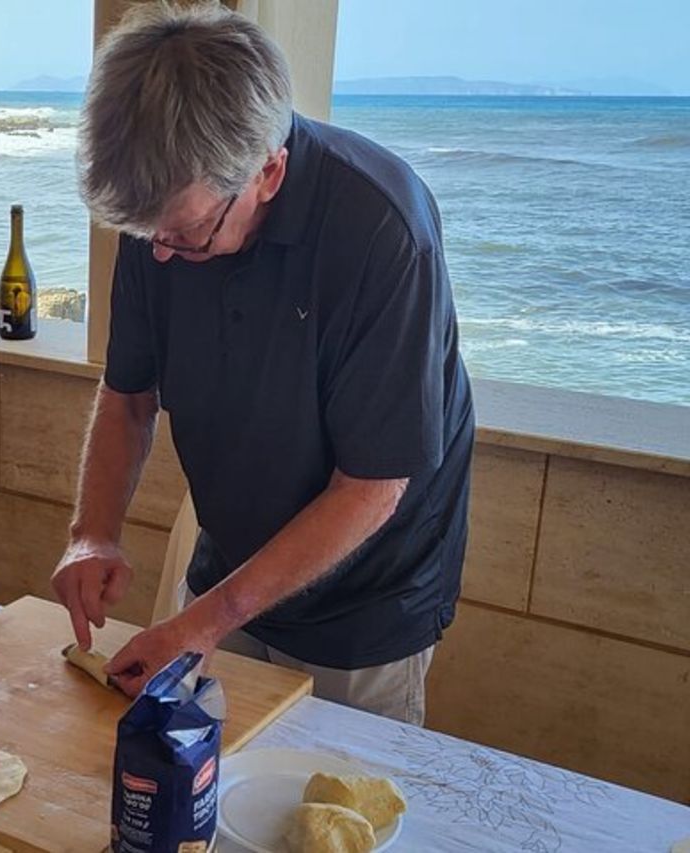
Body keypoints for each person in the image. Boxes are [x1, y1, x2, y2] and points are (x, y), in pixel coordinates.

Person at [51, 3, 474, 726]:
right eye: (146, 234)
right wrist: (92, 531)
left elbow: (372, 487)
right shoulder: (162, 211)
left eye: (184, 236)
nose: (159, 255)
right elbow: (128, 396)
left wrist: (204, 623)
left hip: (367, 600)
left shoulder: (380, 230)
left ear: (269, 172)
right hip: (233, 557)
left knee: (329, 811)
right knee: (197, 783)